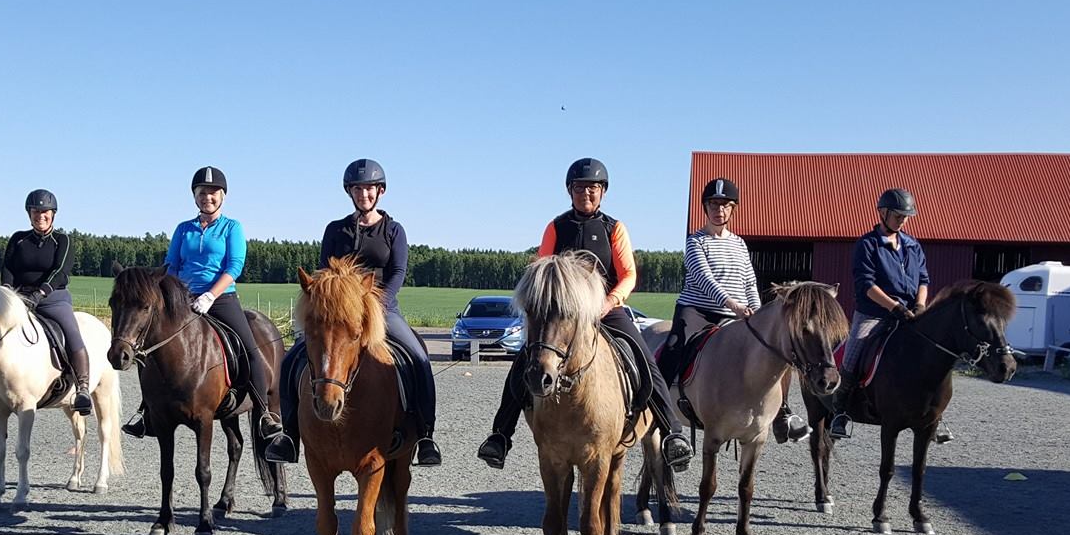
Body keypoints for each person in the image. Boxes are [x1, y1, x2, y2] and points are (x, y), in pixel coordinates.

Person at [475, 158, 694, 474]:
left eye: (593, 187)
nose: (586, 193)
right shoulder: (556, 227)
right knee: (526, 359)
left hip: (605, 310)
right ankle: (500, 434)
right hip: (564, 314)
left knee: (644, 357)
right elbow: (542, 270)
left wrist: (609, 301)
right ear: (570, 191)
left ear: (602, 192)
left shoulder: (613, 229)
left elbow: (628, 274)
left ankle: (672, 431)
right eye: (579, 187)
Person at [263, 159, 442, 467]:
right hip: (338, 317)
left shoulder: (393, 231)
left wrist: (376, 304)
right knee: (294, 359)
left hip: (382, 309)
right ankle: (289, 435)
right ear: (350, 192)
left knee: (417, 357)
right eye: (358, 189)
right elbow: (323, 272)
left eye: (369, 189)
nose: (364, 194)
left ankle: (425, 434)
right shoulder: (336, 229)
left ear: (380, 191)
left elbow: (398, 271)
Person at [122, 167, 285, 446]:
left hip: (221, 298)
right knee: (149, 349)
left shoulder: (232, 227)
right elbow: (172, 264)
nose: (207, 197)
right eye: (202, 192)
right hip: (183, 299)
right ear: (194, 196)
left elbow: (234, 266)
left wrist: (210, 295)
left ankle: (264, 413)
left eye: (212, 192)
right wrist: (165, 289)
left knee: (251, 350)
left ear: (222, 196)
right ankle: (147, 410)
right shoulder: (183, 229)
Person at [662, 177, 809, 443]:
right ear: (705, 208)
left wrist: (756, 310)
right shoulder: (696, 241)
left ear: (733, 209)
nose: (719, 210)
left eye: (725, 205)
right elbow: (704, 279)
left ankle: (783, 412)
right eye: (714, 204)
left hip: (738, 312)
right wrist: (732, 304)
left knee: (776, 349)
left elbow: (749, 281)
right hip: (698, 310)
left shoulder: (739, 244)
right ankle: (661, 407)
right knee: (674, 346)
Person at [823, 187, 951, 444]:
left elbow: (923, 279)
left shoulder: (913, 246)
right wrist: (895, 307)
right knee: (853, 353)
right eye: (897, 215)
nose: (902, 220)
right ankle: (840, 411)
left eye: (906, 216)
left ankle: (934, 414)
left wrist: (921, 305)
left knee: (933, 356)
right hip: (875, 313)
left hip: (911, 313)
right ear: (883, 212)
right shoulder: (867, 244)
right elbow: (867, 285)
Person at [0, 188, 94, 417]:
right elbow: (8, 269)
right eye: (35, 211)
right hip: (18, 299)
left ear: (53, 214)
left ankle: (82, 388)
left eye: (45, 212)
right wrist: (8, 295)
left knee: (71, 333)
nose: (40, 215)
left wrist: (41, 293)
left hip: (53, 299)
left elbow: (60, 271)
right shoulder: (18, 239)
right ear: (29, 214)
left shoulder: (62, 240)